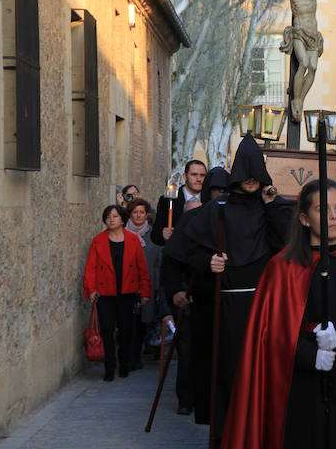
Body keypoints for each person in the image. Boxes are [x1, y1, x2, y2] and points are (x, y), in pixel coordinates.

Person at [221, 179, 336, 448]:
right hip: (300, 387)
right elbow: (268, 336)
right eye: (323, 210)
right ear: (304, 218)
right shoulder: (281, 269)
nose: (334, 216)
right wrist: (308, 354)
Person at [183, 134, 293, 443]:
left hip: (265, 307)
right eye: (244, 172)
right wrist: (209, 262)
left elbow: (286, 243)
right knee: (232, 374)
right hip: (229, 309)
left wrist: (274, 205)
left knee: (265, 375)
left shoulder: (270, 207)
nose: (250, 180)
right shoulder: (217, 208)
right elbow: (186, 250)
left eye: (255, 173)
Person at [161, 165, 230, 417]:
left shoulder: (234, 217)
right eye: (215, 190)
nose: (220, 195)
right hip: (196, 298)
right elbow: (172, 259)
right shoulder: (193, 218)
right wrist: (175, 292)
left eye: (224, 190)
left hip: (226, 302)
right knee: (190, 354)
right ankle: (187, 398)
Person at [83, 205, 153, 381]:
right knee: (107, 331)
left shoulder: (133, 240)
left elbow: (141, 268)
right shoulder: (98, 241)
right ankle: (109, 366)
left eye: (115, 216)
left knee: (126, 330)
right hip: (105, 293)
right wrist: (91, 290)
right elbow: (90, 268)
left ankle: (124, 364)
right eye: (108, 216)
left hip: (126, 292)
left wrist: (145, 291)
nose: (111, 219)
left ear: (122, 219)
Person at [125, 198, 172, 370]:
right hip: (127, 286)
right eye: (135, 212)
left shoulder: (153, 235)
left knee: (143, 323)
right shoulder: (122, 234)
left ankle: (138, 355)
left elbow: (159, 262)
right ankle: (128, 357)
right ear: (130, 214)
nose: (138, 215)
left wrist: (159, 287)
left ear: (146, 215)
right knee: (127, 323)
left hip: (148, 285)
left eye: (142, 212)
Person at [152, 159, 207, 246]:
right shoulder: (168, 200)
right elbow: (155, 235)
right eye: (194, 174)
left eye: (202, 175)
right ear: (185, 176)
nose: (199, 179)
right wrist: (162, 234)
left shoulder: (209, 200)